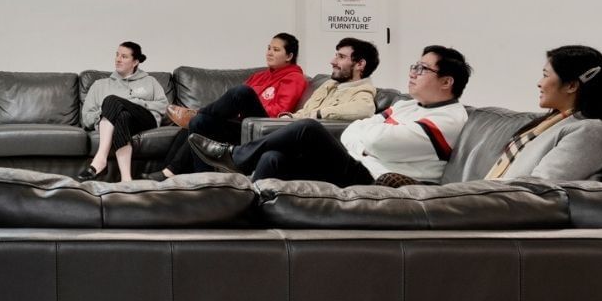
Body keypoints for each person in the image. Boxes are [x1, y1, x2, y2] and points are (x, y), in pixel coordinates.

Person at [189, 45, 472, 186]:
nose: (413, 72)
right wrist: (366, 136)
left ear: (447, 82)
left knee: (307, 129)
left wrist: (365, 137)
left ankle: (236, 156)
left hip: (374, 178)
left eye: (423, 69)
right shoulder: (407, 105)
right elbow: (361, 129)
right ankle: (251, 214)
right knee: (272, 158)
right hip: (357, 162)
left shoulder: (448, 119)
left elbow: (376, 139)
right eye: (414, 66)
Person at [159, 33, 309, 177]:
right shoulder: (259, 76)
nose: (269, 53)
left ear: (289, 56)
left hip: (262, 128)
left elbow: (279, 112)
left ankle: (199, 112)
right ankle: (174, 174)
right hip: (239, 125)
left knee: (242, 92)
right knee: (196, 123)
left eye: (276, 50)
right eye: (269, 48)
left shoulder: (295, 78)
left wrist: (250, 105)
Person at [483, 45, 602, 181]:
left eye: (546, 75)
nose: (539, 83)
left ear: (571, 85)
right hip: (495, 202)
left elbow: (541, 188)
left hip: (511, 208)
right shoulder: (550, 123)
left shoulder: (591, 131)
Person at [78, 41, 169, 182]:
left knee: (111, 100)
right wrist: (107, 113)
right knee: (121, 115)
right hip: (122, 122)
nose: (118, 59)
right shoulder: (100, 85)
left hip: (145, 120)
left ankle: (100, 159)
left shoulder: (150, 81)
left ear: (135, 62)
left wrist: (137, 102)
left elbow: (164, 106)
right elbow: (87, 119)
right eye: (117, 55)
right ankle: (126, 179)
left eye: (124, 56)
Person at [291, 37, 381, 121]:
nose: (333, 62)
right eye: (336, 56)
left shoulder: (362, 91)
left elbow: (366, 109)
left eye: (341, 57)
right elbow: (306, 112)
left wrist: (320, 113)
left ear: (360, 64)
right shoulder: (329, 84)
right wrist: (288, 117)